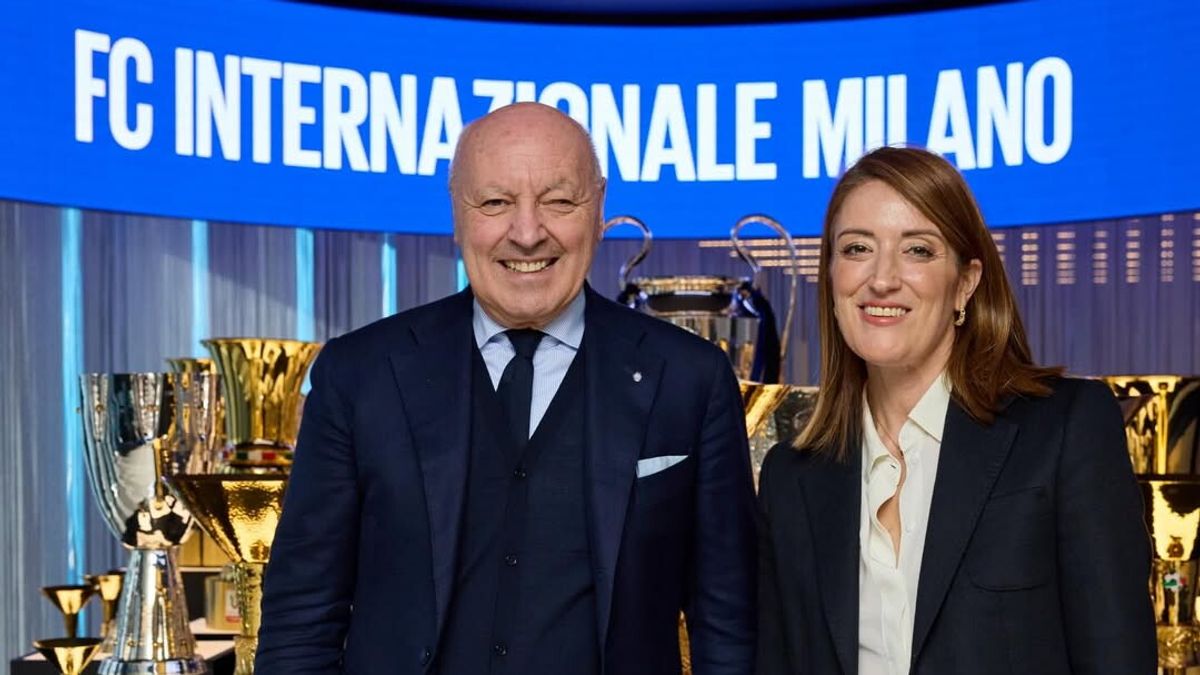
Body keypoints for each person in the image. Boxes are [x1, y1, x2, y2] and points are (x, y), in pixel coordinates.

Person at [255, 102, 757, 675]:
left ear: (599, 209)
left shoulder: (690, 379)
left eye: (559, 201)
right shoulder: (360, 375)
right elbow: (301, 620)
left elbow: (729, 627)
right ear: (457, 213)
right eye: (495, 202)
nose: (527, 233)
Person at [756, 146, 1156, 674]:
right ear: (830, 276)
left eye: (918, 250)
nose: (882, 278)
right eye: (856, 248)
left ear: (965, 282)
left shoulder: (1065, 430)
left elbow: (1117, 658)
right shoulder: (790, 477)